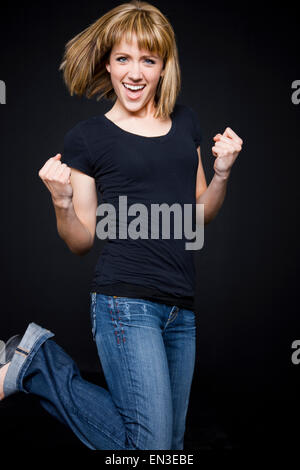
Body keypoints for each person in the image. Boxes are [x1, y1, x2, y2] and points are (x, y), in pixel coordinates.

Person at [0, 0, 243, 450]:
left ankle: (33, 363)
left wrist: (224, 173)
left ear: (164, 66)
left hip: (181, 307)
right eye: (123, 59)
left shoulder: (185, 122)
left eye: (148, 60)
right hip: (123, 302)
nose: (135, 73)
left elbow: (199, 214)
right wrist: (61, 201)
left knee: (165, 450)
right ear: (108, 65)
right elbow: (80, 240)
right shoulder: (88, 138)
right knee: (148, 448)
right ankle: (37, 364)